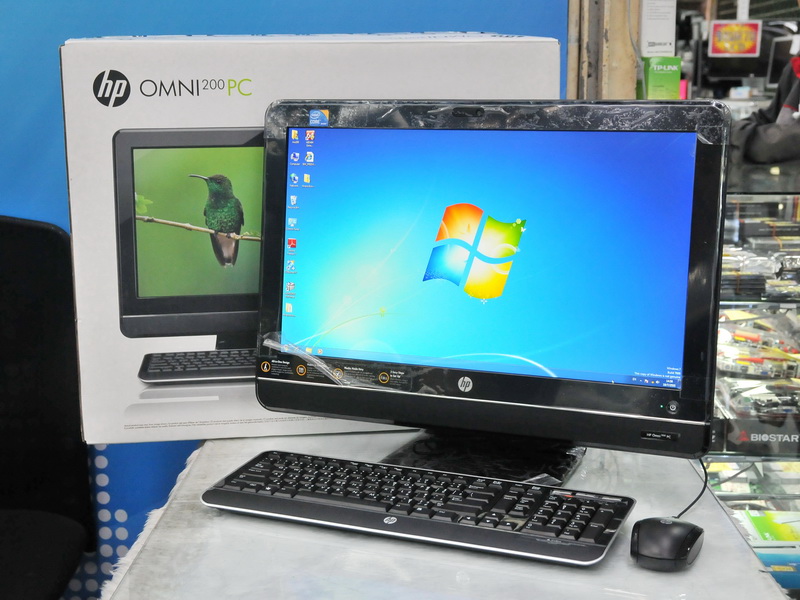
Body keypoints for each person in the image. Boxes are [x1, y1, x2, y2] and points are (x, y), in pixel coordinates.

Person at [731, 55, 800, 164]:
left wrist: (737, 135)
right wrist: (729, 127)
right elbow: (771, 116)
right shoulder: (795, 65)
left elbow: (791, 140)